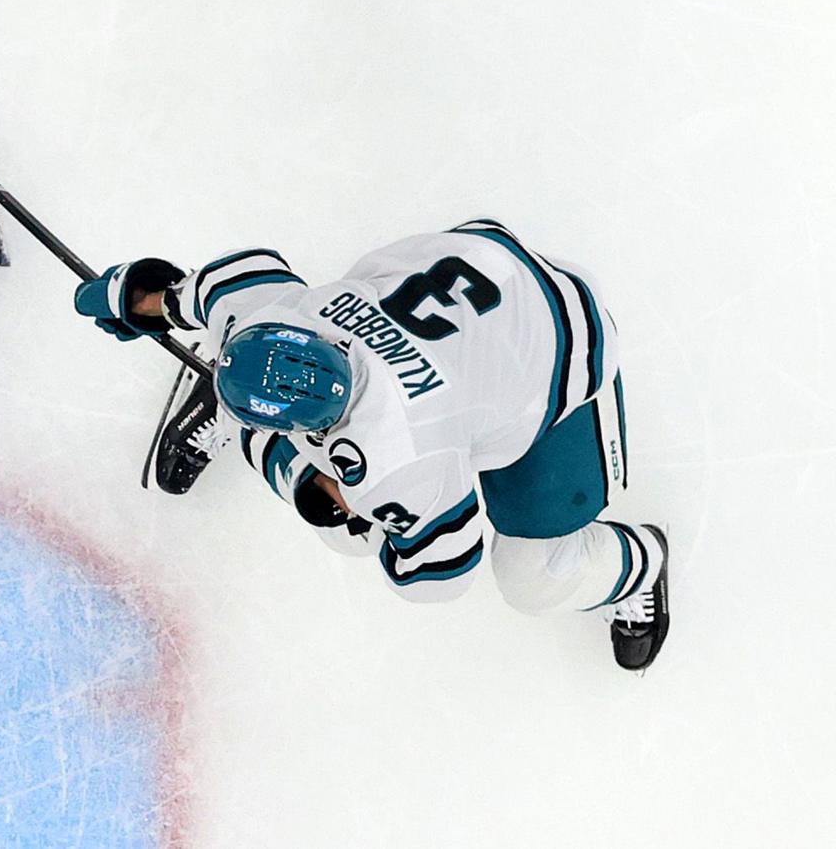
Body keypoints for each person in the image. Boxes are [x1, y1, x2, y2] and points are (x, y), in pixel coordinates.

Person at [73, 219, 670, 671]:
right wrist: (146, 298)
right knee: (334, 500)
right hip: (485, 263)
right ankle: (248, 414)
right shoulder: (282, 313)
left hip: (568, 344)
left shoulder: (398, 458)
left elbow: (441, 569)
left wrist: (337, 493)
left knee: (531, 578)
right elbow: (229, 281)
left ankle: (639, 566)